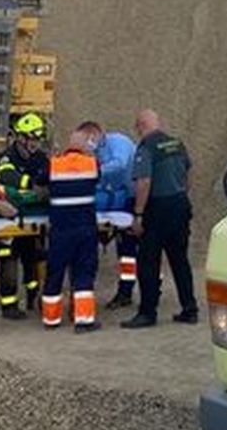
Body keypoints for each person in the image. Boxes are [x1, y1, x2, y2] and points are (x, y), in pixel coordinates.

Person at [121, 109, 197, 329]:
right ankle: (189, 309)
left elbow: (144, 182)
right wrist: (182, 192)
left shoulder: (146, 148)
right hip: (180, 205)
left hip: (157, 209)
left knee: (148, 262)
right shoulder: (176, 143)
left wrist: (139, 214)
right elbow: (189, 172)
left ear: (141, 126)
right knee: (180, 260)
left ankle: (147, 313)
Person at [41, 128, 102, 333]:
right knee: (83, 273)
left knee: (55, 272)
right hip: (85, 229)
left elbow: (40, 180)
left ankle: (51, 319)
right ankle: (83, 320)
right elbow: (98, 179)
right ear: (85, 146)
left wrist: (52, 157)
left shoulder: (54, 165)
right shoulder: (92, 164)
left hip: (60, 230)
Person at [0, 112, 50, 320]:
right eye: (32, 139)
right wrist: (31, 185)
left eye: (37, 139)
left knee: (34, 255)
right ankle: (9, 305)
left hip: (32, 218)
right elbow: (8, 177)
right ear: (21, 138)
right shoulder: (8, 157)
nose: (35, 144)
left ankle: (34, 295)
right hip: (7, 217)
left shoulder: (40, 158)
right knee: (8, 257)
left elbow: (47, 176)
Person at [77, 120, 139, 309]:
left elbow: (119, 165)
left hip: (133, 198)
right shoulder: (96, 151)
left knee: (129, 249)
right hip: (119, 199)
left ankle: (127, 291)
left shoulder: (117, 142)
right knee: (124, 248)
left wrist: (92, 170)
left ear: (93, 135)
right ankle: (124, 292)